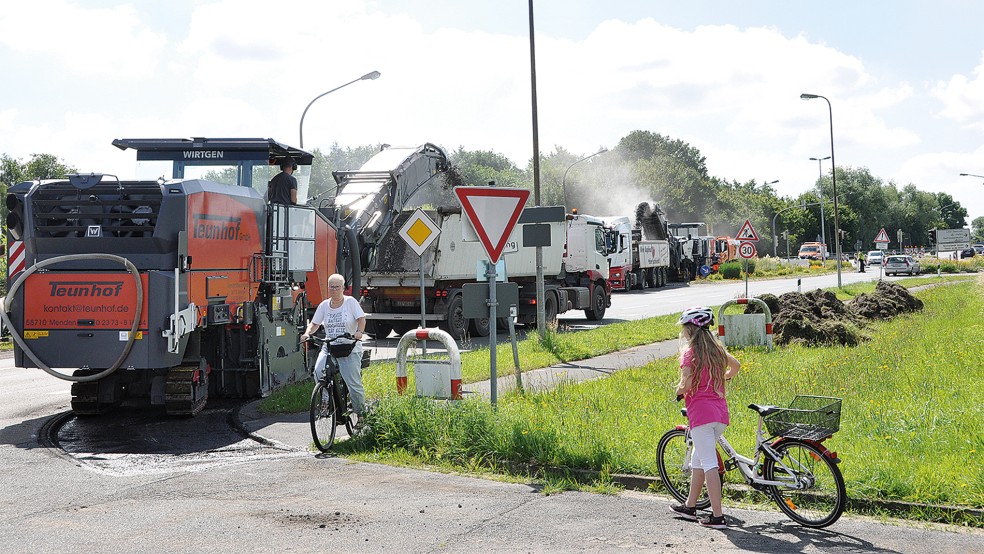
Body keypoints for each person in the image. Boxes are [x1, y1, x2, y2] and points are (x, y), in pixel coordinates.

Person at [669, 306, 740, 529]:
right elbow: (736, 366)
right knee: (698, 460)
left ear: (690, 330)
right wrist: (723, 378)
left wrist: (680, 391)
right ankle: (690, 506)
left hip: (701, 415)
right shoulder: (717, 350)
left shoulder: (690, 353)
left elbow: (687, 383)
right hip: (720, 415)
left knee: (709, 464)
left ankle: (718, 516)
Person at [301, 274, 367, 422]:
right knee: (319, 372)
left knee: (353, 383)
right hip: (330, 346)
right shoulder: (324, 305)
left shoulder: (350, 302)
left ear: (343, 288)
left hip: (349, 347)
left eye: (337, 287)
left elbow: (361, 319)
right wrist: (307, 333)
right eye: (331, 287)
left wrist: (359, 332)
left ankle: (361, 414)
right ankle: (326, 401)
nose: (334, 290)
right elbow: (315, 324)